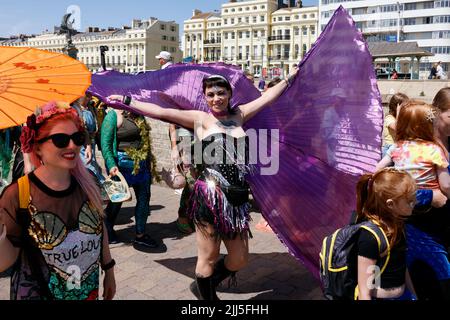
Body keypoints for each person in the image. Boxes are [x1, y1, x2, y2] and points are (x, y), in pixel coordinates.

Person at [106, 67, 299, 300]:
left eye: (220, 93)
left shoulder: (239, 115)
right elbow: (160, 111)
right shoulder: (200, 118)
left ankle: (203, 286)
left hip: (236, 199)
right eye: (210, 94)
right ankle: (208, 300)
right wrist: (127, 101)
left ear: (229, 93)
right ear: (205, 97)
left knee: (239, 258)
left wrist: (291, 77)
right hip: (209, 196)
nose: (216, 98)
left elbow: (267, 97)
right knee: (208, 256)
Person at [0, 101, 116, 300]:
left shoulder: (88, 183)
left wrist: (109, 270)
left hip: (86, 292)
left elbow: (100, 228)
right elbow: (5, 261)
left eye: (77, 137)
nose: (72, 146)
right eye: (61, 140)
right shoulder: (18, 195)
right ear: (37, 148)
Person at [376, 100, 450, 300]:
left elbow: (376, 171)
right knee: (438, 266)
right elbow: (446, 185)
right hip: (430, 213)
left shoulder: (396, 148)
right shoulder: (434, 150)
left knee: (406, 260)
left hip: (403, 209)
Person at [355, 168, 417, 300]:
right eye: (410, 201)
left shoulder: (398, 225)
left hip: (404, 295)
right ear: (391, 204)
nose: (415, 203)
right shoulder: (371, 237)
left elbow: (401, 265)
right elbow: (364, 290)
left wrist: (413, 294)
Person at [101, 108, 157, 248]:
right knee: (117, 200)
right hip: (120, 166)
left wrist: (149, 161)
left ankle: (140, 234)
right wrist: (111, 165)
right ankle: (107, 229)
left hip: (141, 165)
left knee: (144, 197)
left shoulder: (138, 112)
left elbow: (145, 140)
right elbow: (106, 144)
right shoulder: (113, 115)